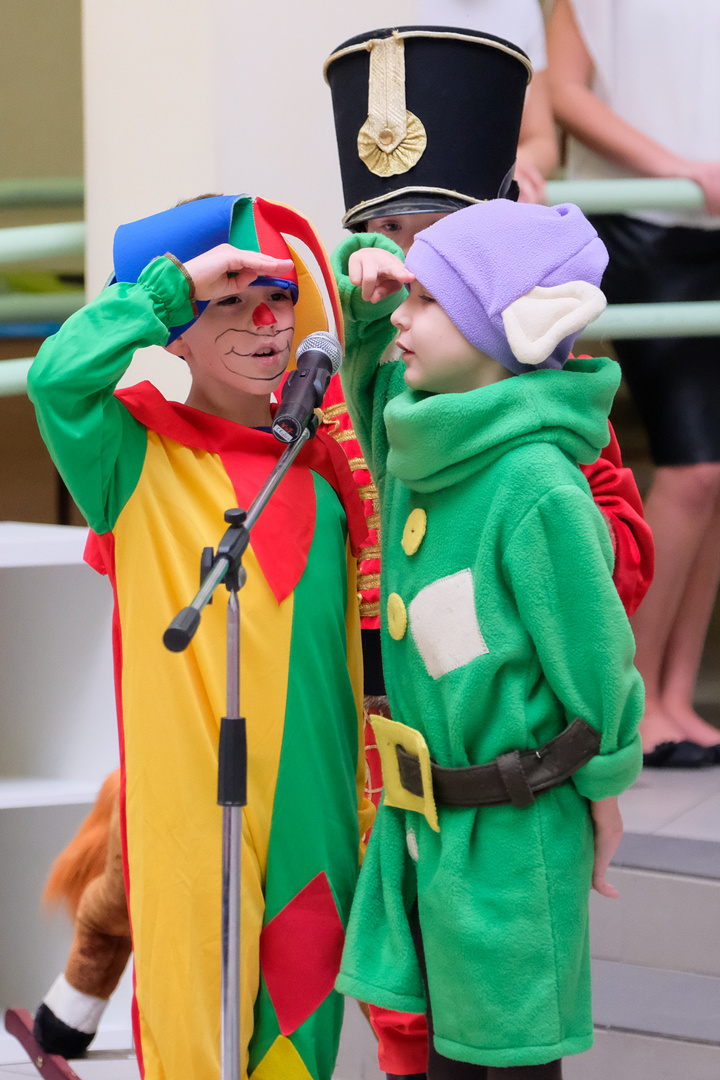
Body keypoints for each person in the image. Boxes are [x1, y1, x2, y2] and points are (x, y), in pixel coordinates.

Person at [324, 25, 654, 1079]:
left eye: (429, 247)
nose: (400, 266)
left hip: (502, 796)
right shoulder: (409, 398)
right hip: (402, 783)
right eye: (386, 234)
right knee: (421, 1033)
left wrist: (602, 779)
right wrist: (371, 315)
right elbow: (369, 427)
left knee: (497, 1048)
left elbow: (598, 614)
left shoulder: (535, 445)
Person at [27, 193, 374, 1080]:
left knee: (301, 1029)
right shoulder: (132, 454)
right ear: (179, 331)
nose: (266, 322)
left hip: (313, 801)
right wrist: (165, 292)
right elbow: (57, 379)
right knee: (195, 1039)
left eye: (279, 297)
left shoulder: (330, 462)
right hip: (190, 806)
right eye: (230, 300)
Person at [547, 0, 720, 766]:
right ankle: (636, 696)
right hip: (647, 222)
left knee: (716, 478)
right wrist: (678, 167)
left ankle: (676, 695)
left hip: (711, 221)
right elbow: (565, 94)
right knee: (694, 470)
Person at [414, 0, 558, 204]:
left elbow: (543, 142)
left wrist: (517, 166)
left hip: (491, 208)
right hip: (414, 206)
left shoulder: (522, 7)